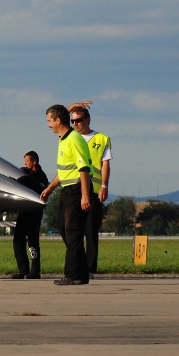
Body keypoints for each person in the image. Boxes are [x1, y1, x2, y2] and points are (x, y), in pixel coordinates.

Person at [39, 105, 93, 286]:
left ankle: (73, 274)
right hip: (66, 190)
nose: (48, 125)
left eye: (49, 121)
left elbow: (83, 169)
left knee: (73, 232)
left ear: (58, 120)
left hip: (77, 190)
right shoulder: (63, 139)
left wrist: (85, 196)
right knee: (63, 227)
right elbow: (63, 171)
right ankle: (81, 271)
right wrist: (50, 188)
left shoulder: (75, 139)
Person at [69, 103, 111, 279]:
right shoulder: (69, 137)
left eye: (78, 120)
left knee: (90, 230)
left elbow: (105, 163)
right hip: (73, 189)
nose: (75, 124)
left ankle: (90, 267)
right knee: (69, 229)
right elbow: (57, 116)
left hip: (93, 190)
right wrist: (73, 106)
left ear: (87, 119)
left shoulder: (102, 139)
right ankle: (77, 261)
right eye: (72, 121)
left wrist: (104, 185)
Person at [11, 151, 48, 279]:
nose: (25, 164)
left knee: (32, 241)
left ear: (34, 162)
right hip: (24, 212)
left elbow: (42, 190)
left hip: (34, 213)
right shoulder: (23, 173)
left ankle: (35, 270)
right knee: (18, 240)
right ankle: (23, 270)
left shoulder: (41, 177)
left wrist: (29, 181)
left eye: (27, 161)